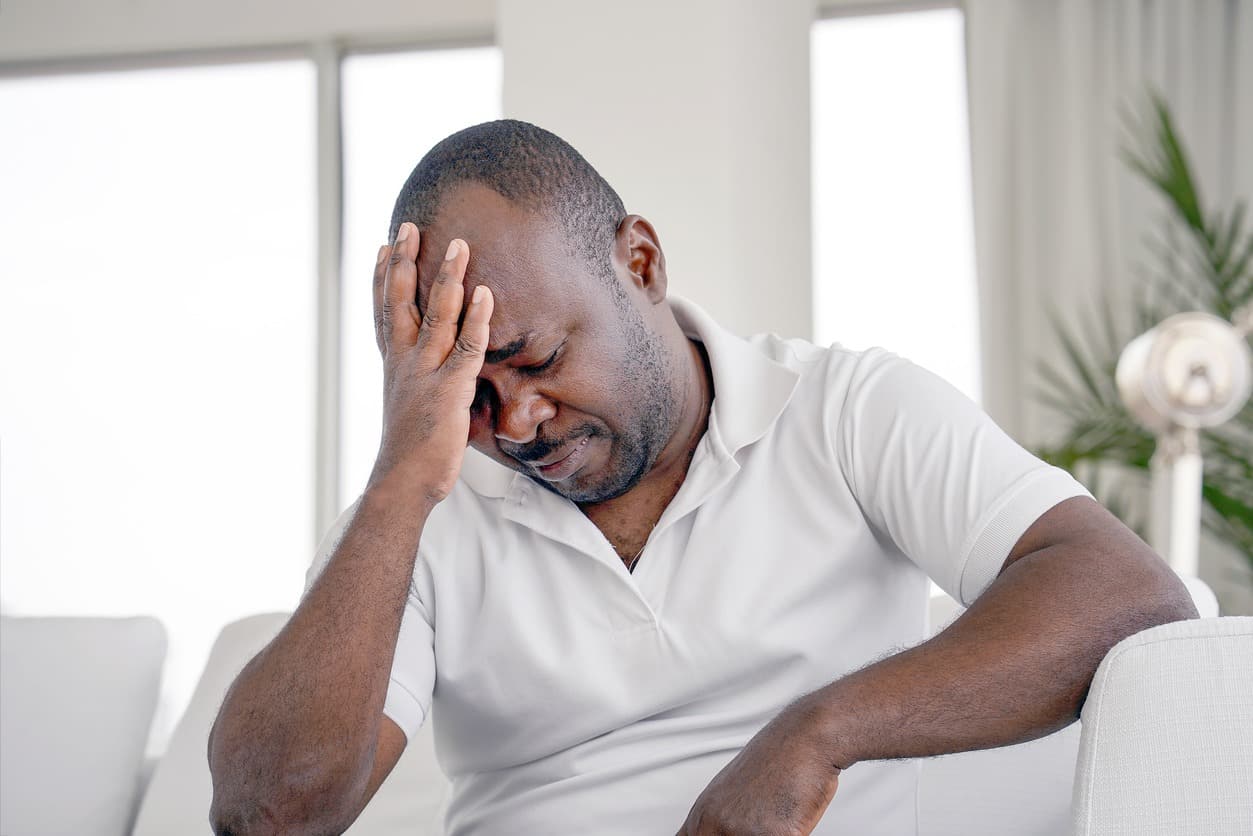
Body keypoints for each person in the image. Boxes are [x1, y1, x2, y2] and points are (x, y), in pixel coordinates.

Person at [207, 119, 1196, 836]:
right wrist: (397, 481)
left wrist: (814, 733)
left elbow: (1126, 593)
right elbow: (267, 813)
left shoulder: (846, 408)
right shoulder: (422, 501)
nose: (512, 422)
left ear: (637, 261)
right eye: (470, 385)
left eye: (539, 357)